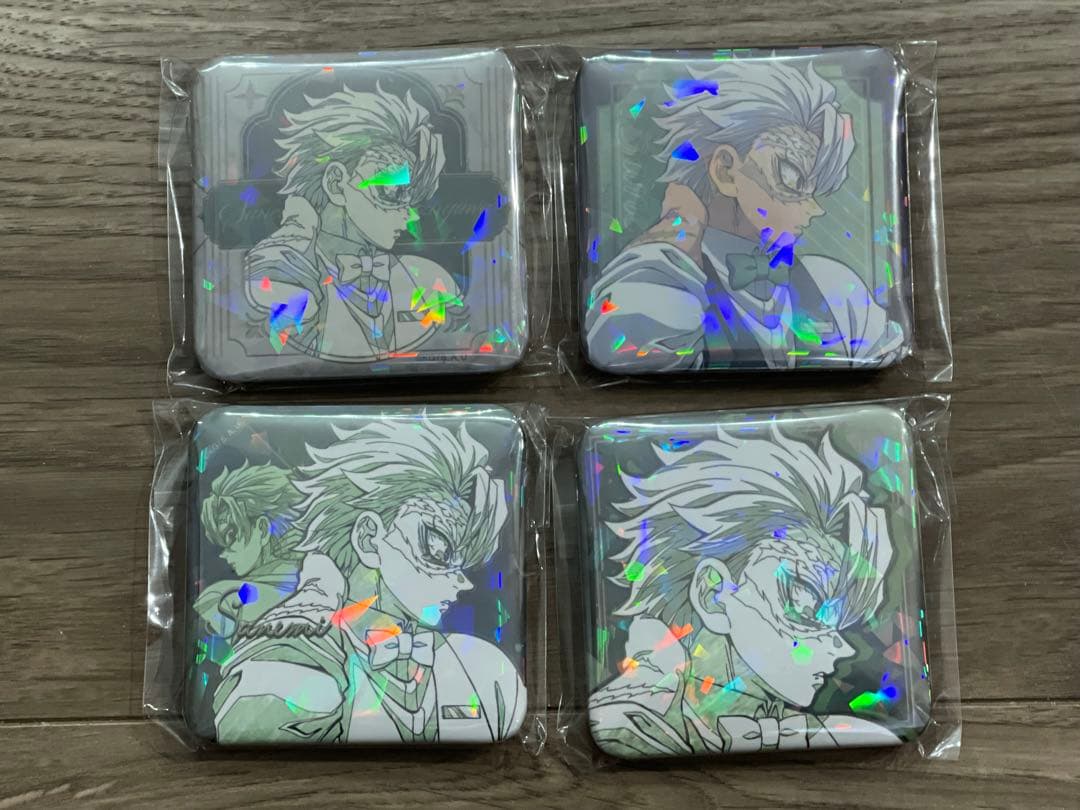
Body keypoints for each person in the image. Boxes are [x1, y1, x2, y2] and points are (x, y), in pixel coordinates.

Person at [589, 424, 901, 756]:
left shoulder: (833, 732)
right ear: (714, 593)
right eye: (805, 608)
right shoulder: (629, 724)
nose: (843, 649)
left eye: (841, 623)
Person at [211, 417, 525, 744]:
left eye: (466, 564)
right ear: (369, 538)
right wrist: (307, 630)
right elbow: (243, 724)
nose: (462, 582)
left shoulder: (483, 670)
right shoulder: (298, 652)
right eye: (437, 548)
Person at [584, 60, 905, 371]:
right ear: (726, 170)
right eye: (791, 176)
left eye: (814, 188)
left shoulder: (833, 285)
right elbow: (619, 349)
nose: (814, 208)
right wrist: (676, 240)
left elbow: (885, 352)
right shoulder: (669, 278)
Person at [245, 84, 464, 360]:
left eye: (411, 199)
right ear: (336, 184)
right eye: (392, 191)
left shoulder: (431, 280)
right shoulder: (286, 275)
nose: (411, 215)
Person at [194, 462, 305, 638]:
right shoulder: (324, 588)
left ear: (262, 529)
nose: (223, 554)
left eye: (231, 535)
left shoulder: (220, 599)